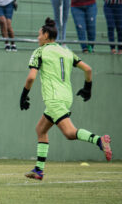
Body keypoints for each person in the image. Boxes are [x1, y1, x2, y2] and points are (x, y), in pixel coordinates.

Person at [20, 18, 112, 181]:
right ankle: (39, 170)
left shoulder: (39, 52)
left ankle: (99, 140)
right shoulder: (66, 51)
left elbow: (31, 78)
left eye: (39, 34)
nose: (37, 38)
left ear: (46, 35)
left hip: (54, 99)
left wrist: (24, 95)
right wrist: (87, 88)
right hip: (65, 97)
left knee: (70, 133)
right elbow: (88, 69)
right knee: (40, 130)